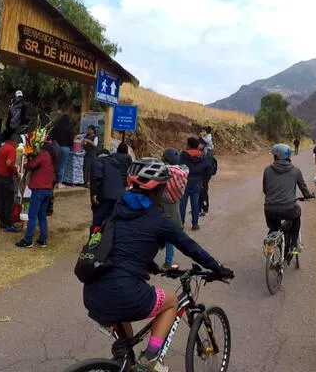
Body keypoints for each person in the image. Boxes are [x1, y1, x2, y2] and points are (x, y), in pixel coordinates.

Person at [82, 158, 234, 372]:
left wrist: (152, 266)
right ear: (159, 189)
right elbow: (190, 247)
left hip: (92, 292)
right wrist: (217, 267)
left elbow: (126, 245)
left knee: (120, 312)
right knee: (171, 301)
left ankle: (122, 355)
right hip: (124, 293)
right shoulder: (159, 219)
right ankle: (151, 357)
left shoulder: (117, 208)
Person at [263, 144, 313, 255]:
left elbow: (265, 189)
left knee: (274, 227)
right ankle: (294, 246)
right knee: (296, 216)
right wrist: (308, 195)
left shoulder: (267, 170)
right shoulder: (295, 171)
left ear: (276, 156)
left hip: (270, 209)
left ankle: (270, 247)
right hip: (288, 208)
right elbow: (304, 189)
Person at [15, 141, 58, 248]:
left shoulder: (44, 155)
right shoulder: (52, 159)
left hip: (39, 189)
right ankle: (43, 239)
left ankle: (28, 240)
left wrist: (26, 164)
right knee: (42, 216)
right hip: (47, 190)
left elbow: (32, 165)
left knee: (32, 216)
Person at [89, 149, 125, 236]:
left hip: (105, 196)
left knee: (98, 220)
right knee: (113, 222)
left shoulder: (97, 161)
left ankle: (92, 243)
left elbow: (96, 178)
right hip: (119, 196)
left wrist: (94, 193)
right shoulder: (115, 163)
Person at [160, 148, 185, 269]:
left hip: (160, 210)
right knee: (170, 238)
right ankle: (168, 262)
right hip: (173, 212)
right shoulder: (180, 174)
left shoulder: (161, 172)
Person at [180, 137, 211, 231]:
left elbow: (178, 167)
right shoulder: (202, 156)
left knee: (182, 204)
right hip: (197, 183)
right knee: (195, 203)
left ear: (188, 145)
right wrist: (203, 179)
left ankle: (181, 224)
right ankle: (195, 224)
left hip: (185, 182)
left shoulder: (183, 155)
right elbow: (209, 169)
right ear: (197, 145)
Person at [0, 131, 21, 232]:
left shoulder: (3, 147)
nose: (17, 146)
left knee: (1, 200)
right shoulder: (11, 149)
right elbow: (9, 163)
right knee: (9, 201)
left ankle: (2, 222)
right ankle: (8, 223)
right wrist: (16, 173)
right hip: (6, 177)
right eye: (17, 144)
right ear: (14, 142)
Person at [49, 114, 74, 188]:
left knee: (53, 164)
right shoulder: (69, 128)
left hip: (56, 146)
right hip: (65, 148)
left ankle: (51, 181)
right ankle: (59, 183)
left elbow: (51, 136)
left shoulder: (56, 127)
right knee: (62, 166)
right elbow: (71, 139)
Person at [198, 138, 216, 217]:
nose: (198, 145)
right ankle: (198, 208)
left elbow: (209, 166)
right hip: (200, 175)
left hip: (205, 176)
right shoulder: (200, 152)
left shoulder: (206, 153)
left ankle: (205, 209)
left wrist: (207, 176)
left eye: (199, 144)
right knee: (198, 192)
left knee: (204, 192)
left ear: (203, 145)